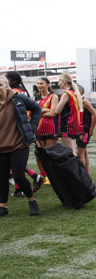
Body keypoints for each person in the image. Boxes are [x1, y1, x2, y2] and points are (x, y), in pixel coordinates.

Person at [0, 74, 42, 216]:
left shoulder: (18, 98)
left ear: (7, 86)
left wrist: (32, 127)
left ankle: (32, 201)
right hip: (1, 147)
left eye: (0, 84)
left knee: (18, 176)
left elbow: (36, 108)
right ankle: (3, 206)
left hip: (19, 144)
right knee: (2, 177)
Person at [6, 72, 44, 195]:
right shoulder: (23, 92)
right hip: (23, 128)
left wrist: (32, 126)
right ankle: (32, 178)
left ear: (12, 81)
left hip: (15, 130)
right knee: (17, 162)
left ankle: (19, 188)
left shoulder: (13, 93)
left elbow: (35, 108)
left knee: (13, 161)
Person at [35, 77, 59, 185]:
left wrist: (40, 112)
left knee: (49, 153)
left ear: (48, 85)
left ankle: (51, 176)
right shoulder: (36, 97)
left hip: (50, 128)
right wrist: (44, 110)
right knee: (38, 153)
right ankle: (43, 175)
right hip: (38, 128)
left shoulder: (53, 96)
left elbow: (53, 113)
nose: (39, 85)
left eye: (42, 83)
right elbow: (32, 113)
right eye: (38, 83)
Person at [55, 72, 83, 157]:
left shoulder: (66, 94)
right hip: (74, 126)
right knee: (72, 151)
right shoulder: (75, 93)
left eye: (59, 81)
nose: (58, 83)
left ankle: (76, 170)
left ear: (64, 82)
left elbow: (57, 111)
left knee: (70, 153)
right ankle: (77, 170)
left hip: (67, 126)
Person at [76, 85, 96, 171]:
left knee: (80, 153)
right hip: (78, 130)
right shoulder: (75, 102)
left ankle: (83, 175)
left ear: (80, 92)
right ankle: (86, 173)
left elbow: (95, 115)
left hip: (84, 131)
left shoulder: (84, 101)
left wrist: (91, 130)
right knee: (84, 153)